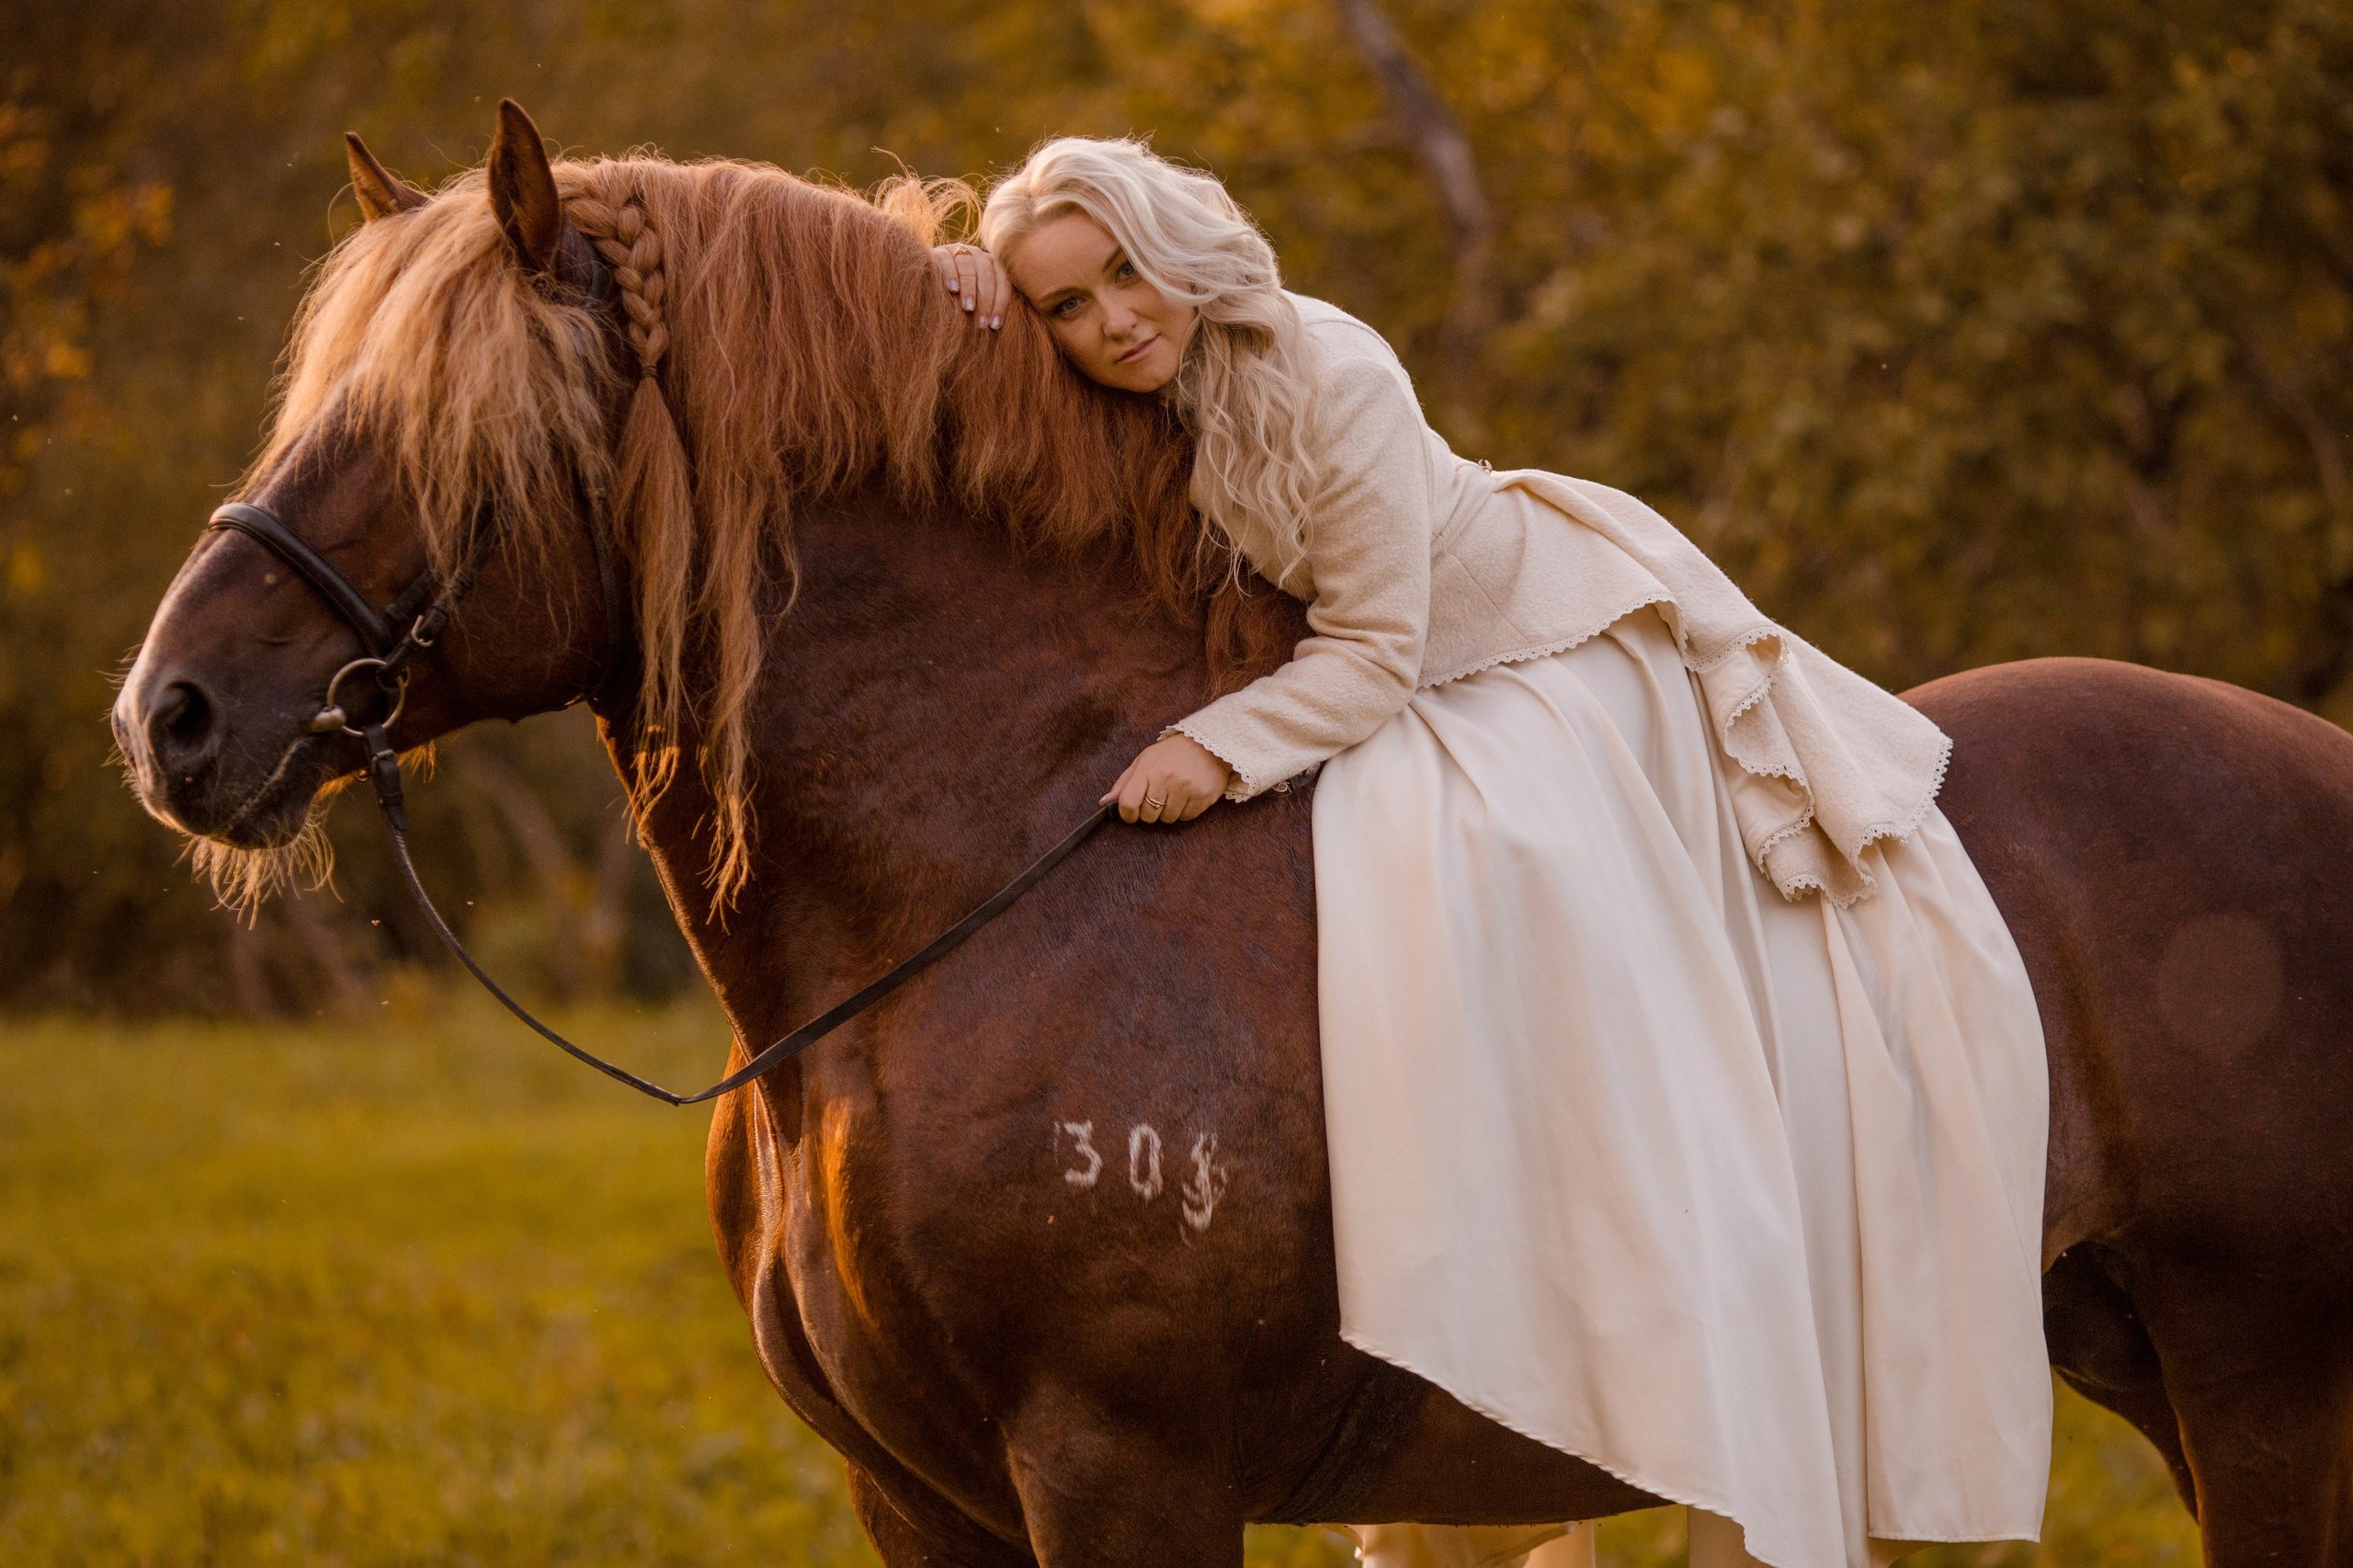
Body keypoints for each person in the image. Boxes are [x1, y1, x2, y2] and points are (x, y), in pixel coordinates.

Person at [934, 138, 2051, 1568]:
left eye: (1125, 275)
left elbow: (1373, 652)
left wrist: (1214, 749)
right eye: (1067, 306)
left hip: (1515, 653)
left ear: (1180, 252)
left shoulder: (1332, 375)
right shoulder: (1120, 387)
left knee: (1504, 877)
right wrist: (964, 295)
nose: (1112, 321)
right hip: (1367, 675)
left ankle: (1659, 1247)